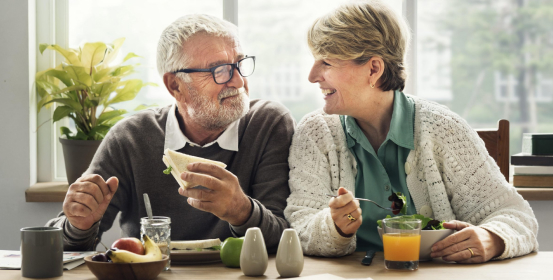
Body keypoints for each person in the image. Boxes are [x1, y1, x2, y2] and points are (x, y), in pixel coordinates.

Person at [284, 0, 538, 263]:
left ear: (373, 69)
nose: (312, 76)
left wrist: (493, 237)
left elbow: (515, 215)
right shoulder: (315, 133)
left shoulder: (444, 129)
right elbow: (300, 226)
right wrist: (336, 226)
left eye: (326, 62)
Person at [47, 14, 295, 252]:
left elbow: (286, 240)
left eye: (239, 64)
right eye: (219, 70)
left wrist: (241, 210)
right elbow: (61, 247)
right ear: (175, 85)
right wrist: (78, 225)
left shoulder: (268, 124)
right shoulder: (130, 138)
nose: (239, 82)